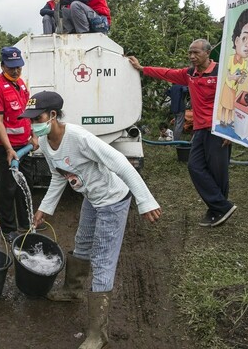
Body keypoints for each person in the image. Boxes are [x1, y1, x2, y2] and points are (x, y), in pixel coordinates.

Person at [20, 91, 161, 349]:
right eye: (29, 120)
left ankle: (98, 333)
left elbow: (120, 162)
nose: (33, 124)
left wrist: (145, 200)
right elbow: (58, 176)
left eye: (36, 118)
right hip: (91, 198)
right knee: (82, 242)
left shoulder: (79, 138)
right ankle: (72, 290)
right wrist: (45, 208)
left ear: (52, 115)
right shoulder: (47, 143)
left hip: (112, 201)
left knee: (103, 259)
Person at [129, 39, 238, 227]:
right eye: (190, 53)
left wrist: (230, 130)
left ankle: (217, 210)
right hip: (200, 129)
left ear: (208, 52)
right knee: (194, 166)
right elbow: (166, 73)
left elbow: (235, 99)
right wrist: (141, 68)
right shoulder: (190, 74)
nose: (192, 56)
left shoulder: (221, 72)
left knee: (218, 172)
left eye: (196, 52)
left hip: (219, 129)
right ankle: (222, 206)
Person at [0, 46, 38, 243]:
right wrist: (8, 149)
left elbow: (28, 113)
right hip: (3, 147)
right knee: (6, 187)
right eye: (11, 68)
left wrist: (33, 135)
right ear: (2, 65)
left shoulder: (21, 85)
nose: (15, 71)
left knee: (25, 185)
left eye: (18, 67)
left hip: (23, 145)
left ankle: (26, 223)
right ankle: (8, 229)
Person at [220, 7, 248, 127]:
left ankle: (230, 121)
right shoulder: (230, 58)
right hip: (228, 85)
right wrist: (233, 77)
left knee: (232, 104)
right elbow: (228, 73)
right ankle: (223, 120)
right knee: (225, 104)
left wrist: (242, 77)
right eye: (244, 38)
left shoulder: (244, 63)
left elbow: (242, 78)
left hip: (234, 88)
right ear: (237, 40)